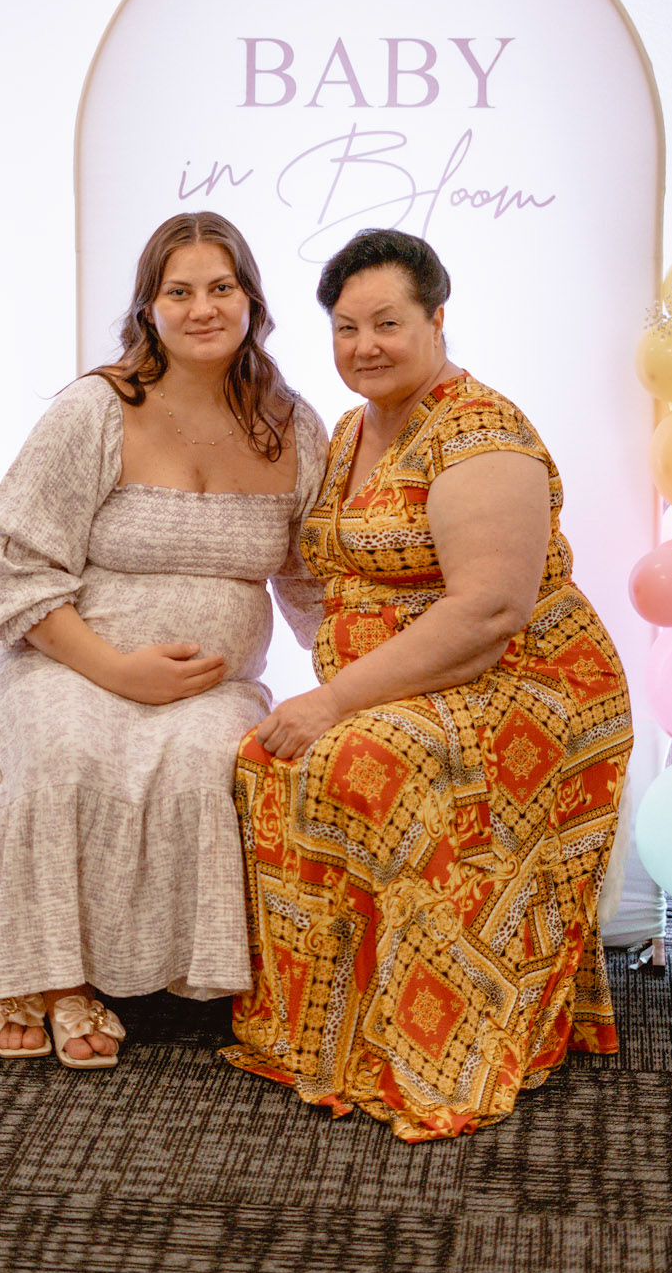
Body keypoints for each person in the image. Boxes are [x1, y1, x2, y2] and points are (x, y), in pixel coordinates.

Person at [224, 226, 631, 1140]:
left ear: (436, 320)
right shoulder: (351, 430)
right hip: (414, 684)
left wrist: (333, 698)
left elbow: (488, 611)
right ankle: (329, 1039)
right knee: (264, 759)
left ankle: (436, 1052)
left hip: (525, 685)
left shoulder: (479, 433)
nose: (364, 345)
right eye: (345, 328)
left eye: (386, 323)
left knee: (366, 761)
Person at [0, 212, 328, 1067]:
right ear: (148, 308)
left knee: (199, 769)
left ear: (252, 301)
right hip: (66, 659)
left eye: (220, 287)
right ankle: (50, 978)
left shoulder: (292, 427)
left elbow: (312, 579)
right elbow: (15, 572)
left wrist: (360, 680)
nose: (201, 308)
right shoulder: (95, 410)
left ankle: (148, 969)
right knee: (65, 760)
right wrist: (119, 672)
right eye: (177, 291)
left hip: (211, 685)